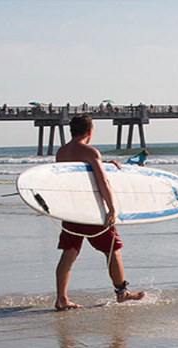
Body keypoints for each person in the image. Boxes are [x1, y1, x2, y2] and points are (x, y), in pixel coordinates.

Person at [53, 115, 147, 310]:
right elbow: (102, 182)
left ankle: (61, 298)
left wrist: (104, 165)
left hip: (72, 211)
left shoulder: (61, 152)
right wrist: (112, 209)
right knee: (113, 251)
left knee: (69, 253)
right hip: (92, 212)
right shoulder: (91, 151)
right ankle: (122, 293)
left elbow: (79, 175)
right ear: (90, 131)